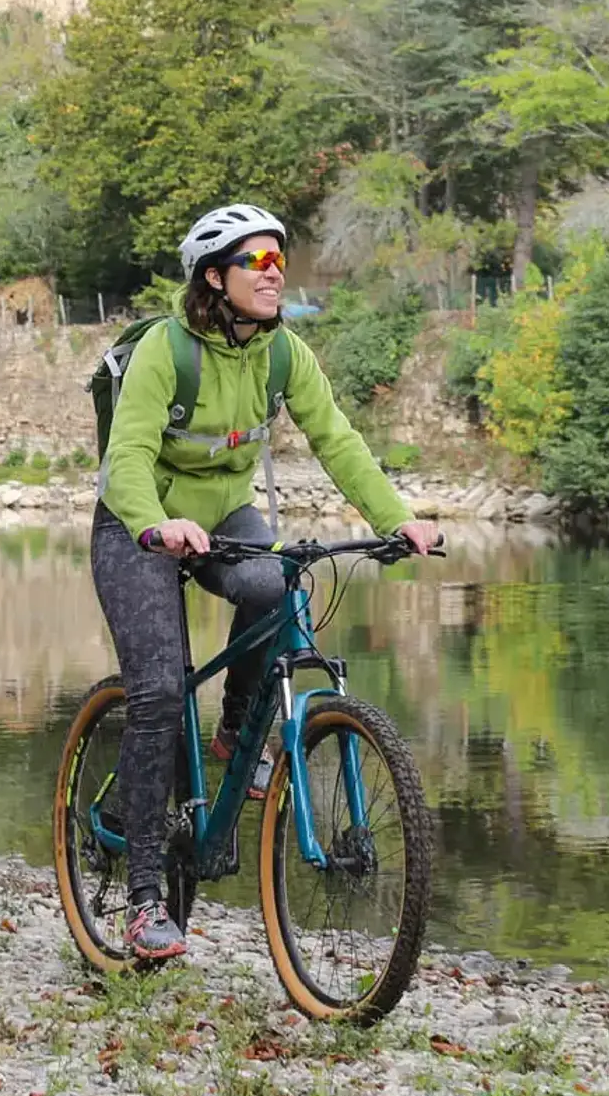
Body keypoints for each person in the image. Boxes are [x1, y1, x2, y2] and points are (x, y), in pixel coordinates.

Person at [90, 204, 439, 963]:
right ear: (215, 277)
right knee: (156, 692)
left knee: (282, 586)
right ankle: (145, 902)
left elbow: (337, 440)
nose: (275, 271)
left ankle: (238, 730)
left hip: (225, 518)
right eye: (257, 262)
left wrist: (397, 518)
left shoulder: (283, 354)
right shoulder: (164, 350)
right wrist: (156, 526)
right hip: (138, 525)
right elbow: (126, 461)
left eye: (280, 260)